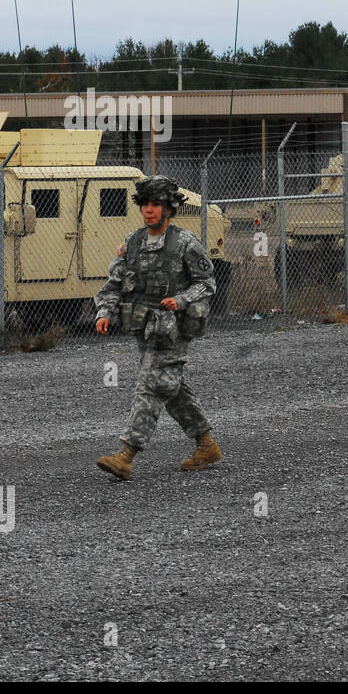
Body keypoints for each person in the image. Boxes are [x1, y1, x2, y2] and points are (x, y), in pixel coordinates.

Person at [92, 176, 222, 480]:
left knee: (150, 385)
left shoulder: (186, 243)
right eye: (146, 204)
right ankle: (206, 445)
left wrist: (181, 299)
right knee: (171, 388)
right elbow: (114, 282)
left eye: (157, 205)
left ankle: (126, 455)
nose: (150, 210)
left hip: (174, 329)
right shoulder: (133, 242)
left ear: (169, 208)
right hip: (144, 328)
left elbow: (207, 282)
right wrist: (104, 312)